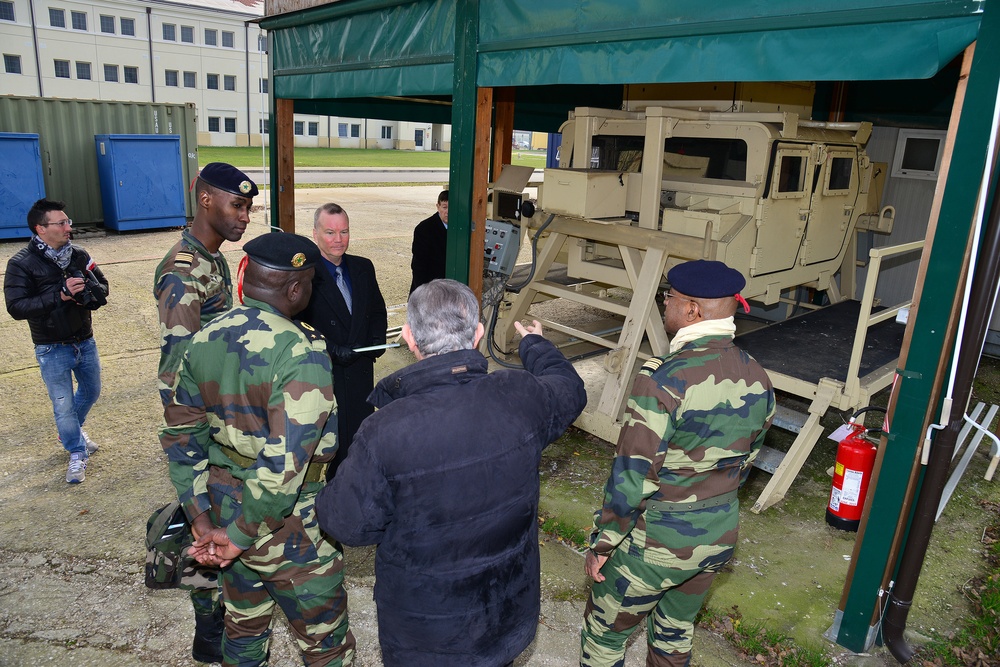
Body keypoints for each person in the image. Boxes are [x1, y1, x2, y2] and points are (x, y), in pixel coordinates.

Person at [316, 279, 587, 667]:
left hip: (426, 635)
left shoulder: (385, 430)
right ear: (477, 334)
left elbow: (348, 525)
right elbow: (570, 388)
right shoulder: (521, 396)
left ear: (409, 337)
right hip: (503, 616)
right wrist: (535, 345)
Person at [160, 232, 355, 667]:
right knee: (326, 646)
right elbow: (285, 465)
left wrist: (203, 521)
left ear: (246, 278)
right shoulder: (301, 351)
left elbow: (180, 438)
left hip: (222, 508)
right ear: (295, 289)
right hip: (289, 528)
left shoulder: (205, 338)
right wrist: (238, 536)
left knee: (243, 629)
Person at [580, 259, 776, 667]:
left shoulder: (664, 380)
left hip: (657, 545)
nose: (664, 304)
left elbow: (633, 476)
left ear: (691, 310)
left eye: (668, 297)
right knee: (673, 634)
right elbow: (746, 462)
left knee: (604, 638)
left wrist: (603, 543)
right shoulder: (758, 377)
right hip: (717, 538)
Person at [152, 161, 257, 663]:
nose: (245, 217)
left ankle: (214, 619)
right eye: (237, 206)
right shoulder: (182, 271)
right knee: (204, 521)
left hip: (222, 418)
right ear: (205, 199)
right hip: (200, 426)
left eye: (249, 207)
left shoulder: (211, 260)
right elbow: (176, 373)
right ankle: (207, 623)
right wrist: (189, 458)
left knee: (218, 518)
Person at [4, 198, 108, 485]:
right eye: (61, 223)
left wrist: (90, 290)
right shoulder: (20, 264)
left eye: (68, 221)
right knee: (62, 404)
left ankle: (71, 430)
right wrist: (59, 295)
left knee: (92, 391)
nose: (68, 227)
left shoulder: (79, 255)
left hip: (85, 340)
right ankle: (76, 450)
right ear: (40, 228)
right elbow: (16, 307)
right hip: (51, 346)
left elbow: (104, 285)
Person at [298, 203, 387, 478]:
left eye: (344, 231)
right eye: (330, 232)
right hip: (325, 376)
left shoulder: (363, 267)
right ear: (315, 234)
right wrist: (332, 351)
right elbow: (296, 325)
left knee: (359, 440)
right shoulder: (305, 274)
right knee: (327, 447)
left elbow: (377, 310)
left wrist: (375, 344)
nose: (338, 239)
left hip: (360, 370)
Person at [408, 189, 448, 294]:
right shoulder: (424, 229)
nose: (448, 211)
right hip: (430, 288)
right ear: (438, 207)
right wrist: (423, 292)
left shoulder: (460, 228)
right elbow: (418, 265)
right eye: (445, 207)